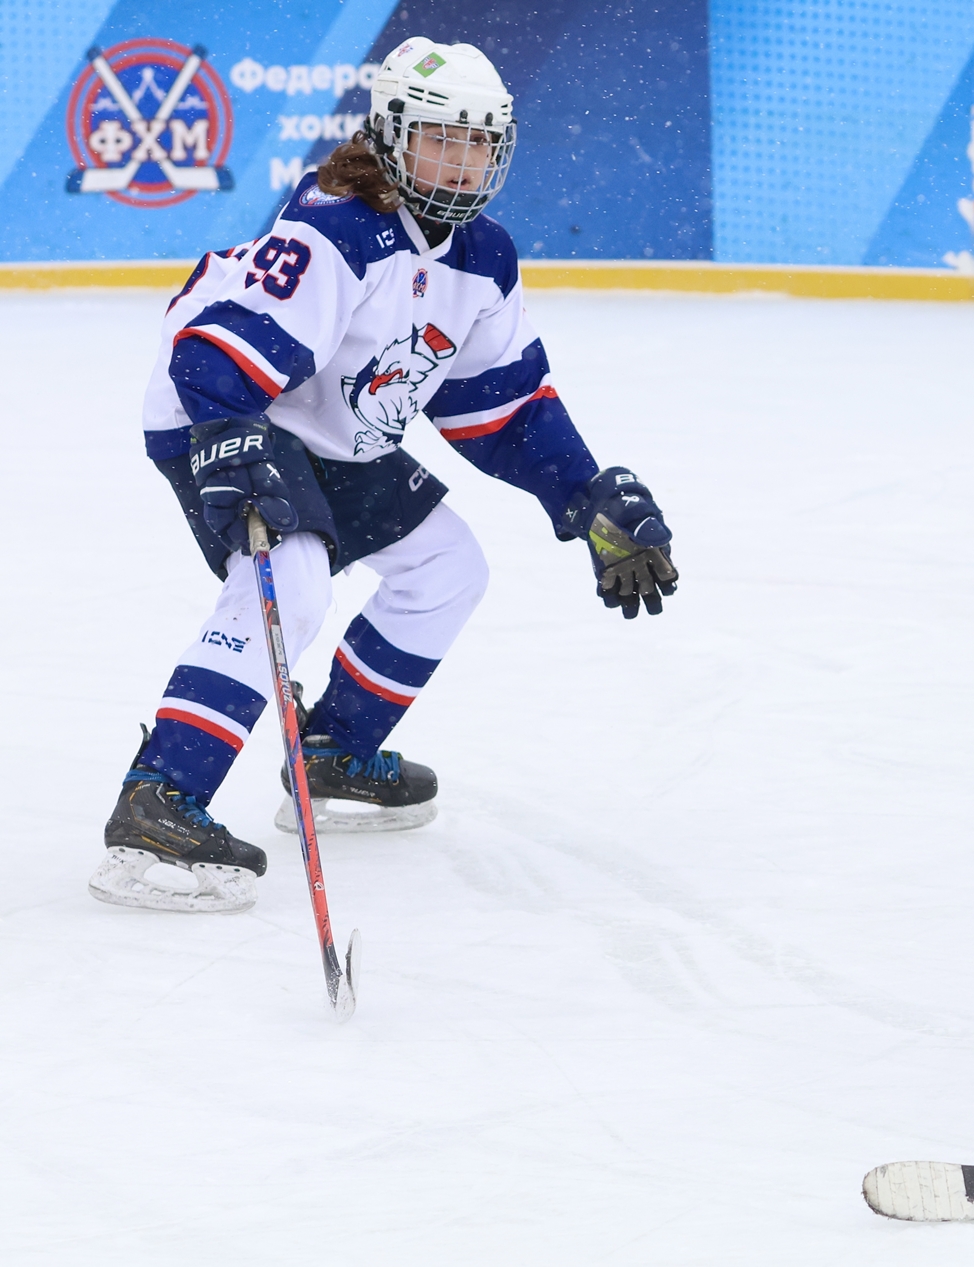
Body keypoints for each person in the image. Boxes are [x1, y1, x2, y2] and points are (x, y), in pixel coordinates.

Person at [91, 38, 678, 914]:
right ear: (395, 137)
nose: (464, 159)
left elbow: (501, 408)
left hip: (332, 435)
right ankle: (160, 796)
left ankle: (330, 749)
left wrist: (585, 495)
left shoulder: (485, 261)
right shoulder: (338, 228)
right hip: (230, 410)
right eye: (443, 137)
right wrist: (226, 437)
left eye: (480, 141)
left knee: (449, 568)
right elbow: (218, 347)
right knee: (290, 577)